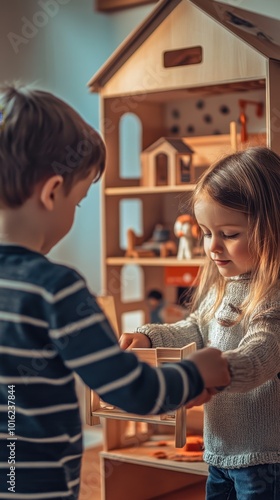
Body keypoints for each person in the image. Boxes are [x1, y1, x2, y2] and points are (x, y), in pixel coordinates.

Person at [0, 84, 230, 500]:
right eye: (80, 201)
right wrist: (197, 372)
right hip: (33, 485)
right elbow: (130, 390)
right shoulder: (56, 290)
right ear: (52, 192)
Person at [120, 146, 280, 500]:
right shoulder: (223, 286)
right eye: (206, 232)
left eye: (229, 234)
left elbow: (262, 355)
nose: (212, 247)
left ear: (272, 228)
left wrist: (218, 369)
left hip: (263, 458)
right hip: (219, 449)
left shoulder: (271, 294)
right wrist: (148, 337)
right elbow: (194, 328)